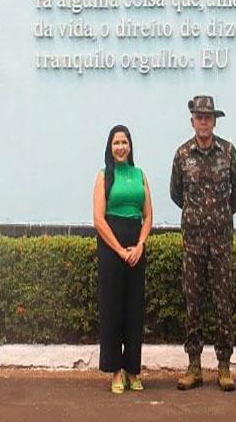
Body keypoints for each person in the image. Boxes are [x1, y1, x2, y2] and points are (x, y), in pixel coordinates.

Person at [170, 95, 236, 391]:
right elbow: (177, 194)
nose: (204, 121)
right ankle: (194, 367)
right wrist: (196, 217)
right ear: (192, 121)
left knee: (223, 304)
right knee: (193, 306)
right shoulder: (181, 155)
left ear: (214, 121)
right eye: (199, 117)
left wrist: (220, 216)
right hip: (193, 243)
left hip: (221, 243)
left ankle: (224, 367)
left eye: (208, 117)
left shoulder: (228, 152)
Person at [93, 125, 153, 394]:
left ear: (130, 146)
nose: (120, 147)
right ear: (110, 146)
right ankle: (115, 371)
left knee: (134, 309)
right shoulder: (103, 176)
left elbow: (148, 215)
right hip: (111, 246)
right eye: (116, 142)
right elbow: (98, 218)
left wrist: (140, 245)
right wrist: (119, 250)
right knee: (113, 308)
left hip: (136, 245)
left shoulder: (140, 175)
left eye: (124, 142)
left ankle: (132, 370)